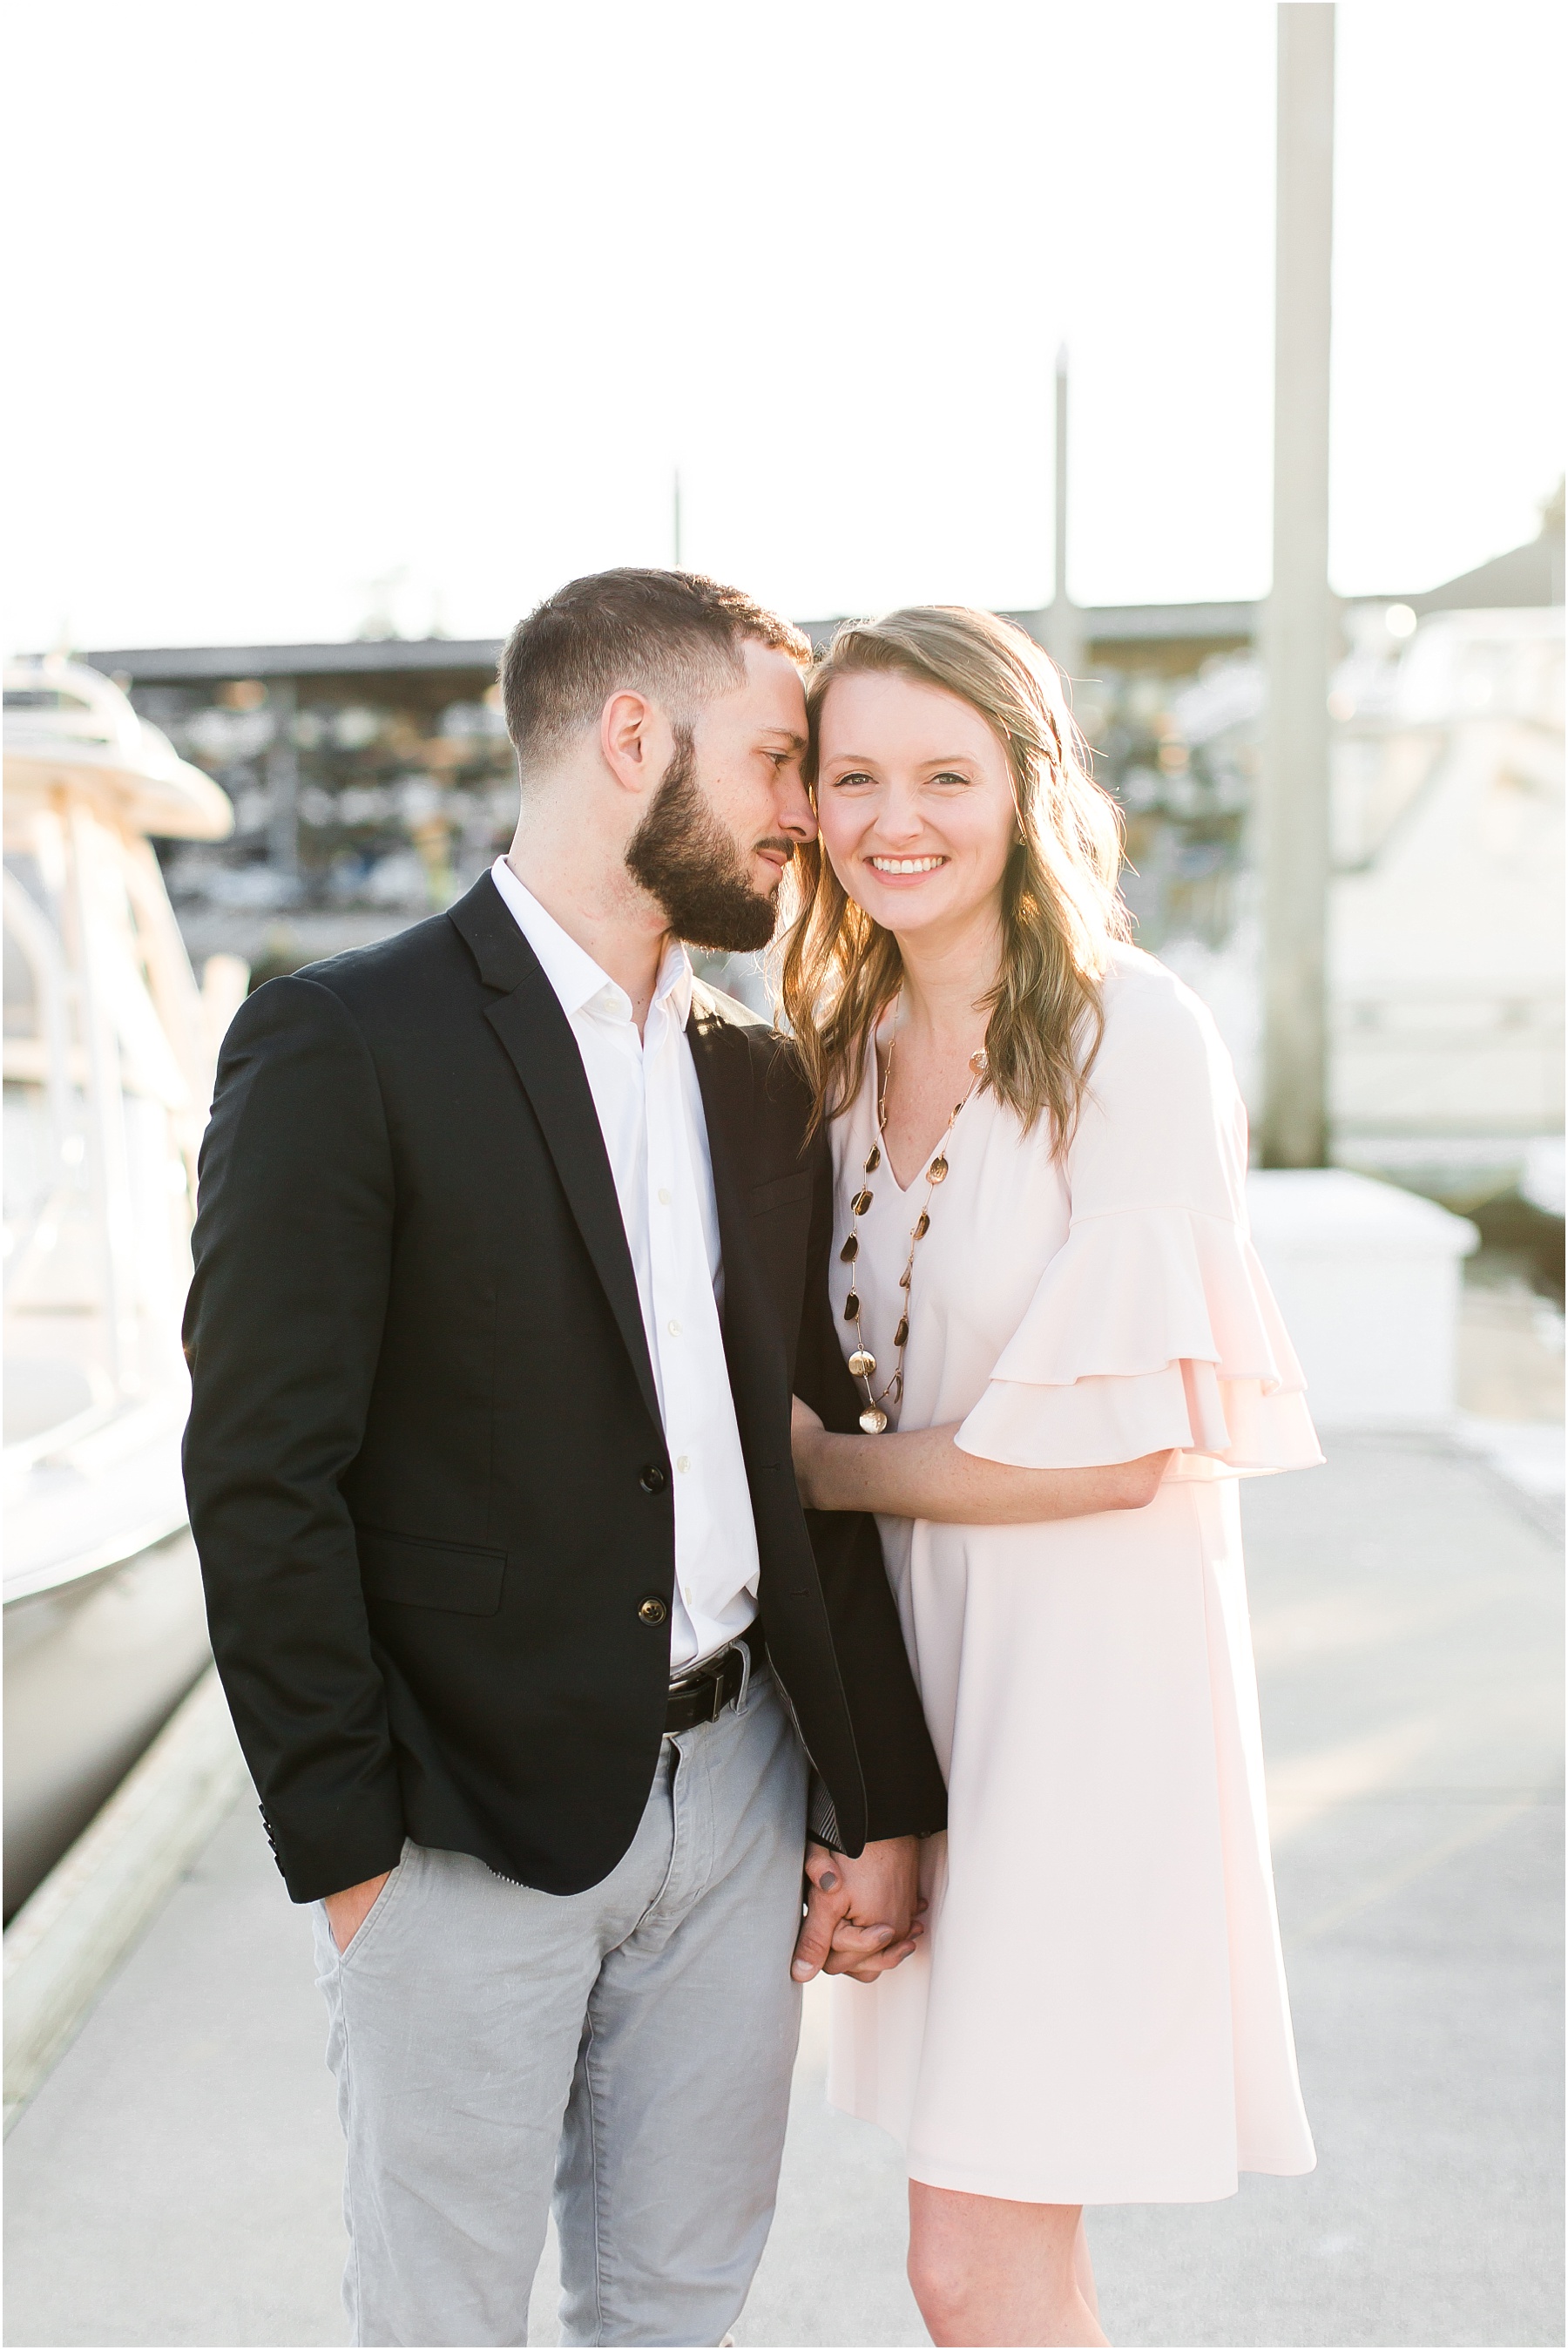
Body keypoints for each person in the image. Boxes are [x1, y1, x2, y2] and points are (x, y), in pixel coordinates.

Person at [182, 568, 947, 2350]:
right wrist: (344, 1845)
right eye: (781, 758)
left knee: (678, 2308)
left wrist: (870, 1790)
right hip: (450, 1823)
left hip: (741, 1796)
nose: (810, 816)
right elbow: (258, 1470)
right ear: (630, 737)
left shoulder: (759, 1077)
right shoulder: (342, 1040)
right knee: (442, 2319)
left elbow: (796, 1457)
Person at [782, 606, 1321, 2348]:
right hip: (934, 1692)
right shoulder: (839, 1051)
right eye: (853, 774)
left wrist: (821, 1474)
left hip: (1091, 1705)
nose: (895, 818)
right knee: (1006, 2256)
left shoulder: (1126, 1030)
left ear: (1026, 785)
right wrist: (871, 1777)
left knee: (973, 2263)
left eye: (946, 772)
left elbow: (1129, 1444)